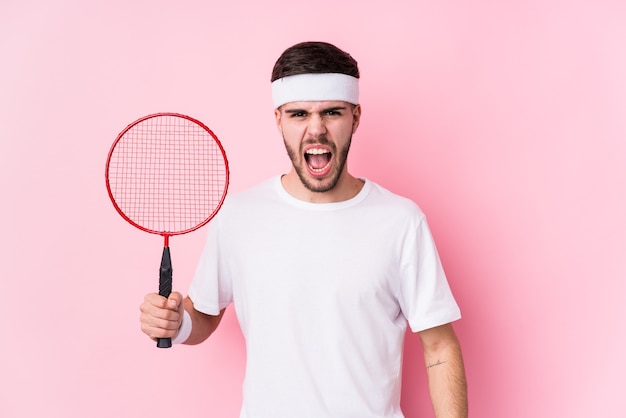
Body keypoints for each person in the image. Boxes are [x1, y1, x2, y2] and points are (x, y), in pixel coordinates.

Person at [140, 41, 468, 418]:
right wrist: (176, 323)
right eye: (299, 114)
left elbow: (440, 347)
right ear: (278, 119)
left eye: (332, 112)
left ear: (356, 117)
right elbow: (204, 316)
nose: (317, 129)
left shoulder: (401, 221)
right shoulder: (239, 216)